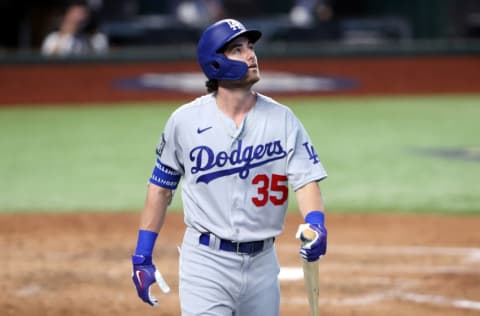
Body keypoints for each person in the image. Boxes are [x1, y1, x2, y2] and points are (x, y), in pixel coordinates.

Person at [131, 18, 328, 315]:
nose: (251, 54)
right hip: (206, 264)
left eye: (250, 47)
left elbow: (305, 180)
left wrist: (316, 222)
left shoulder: (283, 119)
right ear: (215, 64)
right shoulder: (185, 121)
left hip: (263, 263)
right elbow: (160, 188)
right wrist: (142, 256)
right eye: (237, 49)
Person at [41, 1, 108, 56]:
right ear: (67, 15)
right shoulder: (53, 38)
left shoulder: (97, 38)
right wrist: (64, 35)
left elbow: (97, 64)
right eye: (75, 13)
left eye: (83, 13)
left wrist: (88, 38)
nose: (80, 18)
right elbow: (50, 62)